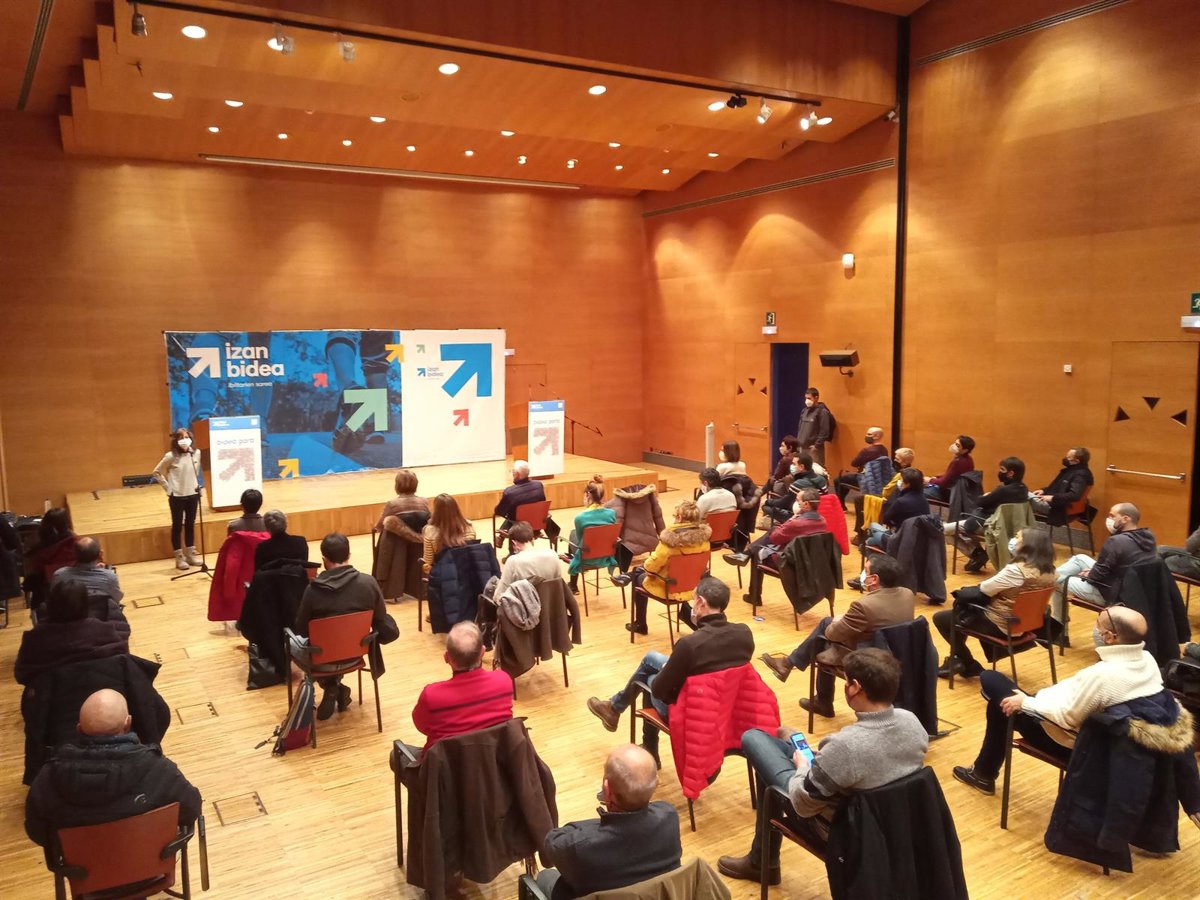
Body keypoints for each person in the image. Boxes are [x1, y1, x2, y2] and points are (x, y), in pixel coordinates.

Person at [717, 648, 928, 884]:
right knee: (784, 747)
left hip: (842, 830)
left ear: (855, 688)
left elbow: (802, 804)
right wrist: (824, 760)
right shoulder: (912, 723)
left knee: (754, 739)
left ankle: (762, 861)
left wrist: (803, 766)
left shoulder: (844, 746)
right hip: (894, 826)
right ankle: (761, 860)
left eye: (846, 682)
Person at [952, 607, 1166, 795]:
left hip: (1071, 742)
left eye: (1097, 625)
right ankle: (982, 773)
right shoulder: (1148, 660)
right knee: (1005, 698)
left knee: (993, 686)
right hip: (1109, 744)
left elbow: (1067, 718)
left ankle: (983, 773)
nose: (1095, 629)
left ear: (1110, 637)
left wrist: (1026, 703)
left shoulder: (1103, 676)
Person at [586, 577, 754, 765]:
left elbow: (659, 691)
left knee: (648, 678)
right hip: (725, 708)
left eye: (693, 600)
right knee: (651, 658)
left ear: (700, 602)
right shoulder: (744, 633)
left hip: (691, 713)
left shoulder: (690, 645)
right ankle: (615, 709)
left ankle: (637, 733)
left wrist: (667, 671)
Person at [25, 689, 201, 848]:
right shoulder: (160, 769)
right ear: (128, 723)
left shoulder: (48, 776)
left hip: (81, 870)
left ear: (79, 729)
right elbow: (191, 808)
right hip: (147, 862)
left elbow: (37, 832)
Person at [760, 554, 915, 719]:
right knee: (826, 630)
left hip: (868, 659)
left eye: (866, 570)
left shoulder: (864, 606)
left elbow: (832, 634)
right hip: (900, 652)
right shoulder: (908, 594)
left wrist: (838, 621)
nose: (863, 574)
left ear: (874, 579)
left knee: (824, 638)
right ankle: (791, 667)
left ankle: (814, 691)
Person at [535, 744, 682, 899]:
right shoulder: (669, 817)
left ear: (607, 789)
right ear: (655, 784)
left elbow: (552, 841)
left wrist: (606, 821)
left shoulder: (578, 845)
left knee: (545, 876)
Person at [290, 532, 391, 720]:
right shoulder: (368, 583)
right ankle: (335, 686)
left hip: (322, 659)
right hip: (356, 654)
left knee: (290, 641)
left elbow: (301, 629)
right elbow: (380, 618)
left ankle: (330, 685)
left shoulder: (312, 590)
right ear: (349, 555)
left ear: (324, 560)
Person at [933, 527, 1056, 679]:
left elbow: (985, 589)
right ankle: (958, 660)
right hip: (1026, 624)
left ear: (1028, 545)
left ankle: (967, 662)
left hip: (1002, 624)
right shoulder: (1051, 572)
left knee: (943, 618)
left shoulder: (1016, 571)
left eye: (1018, 537)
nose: (1014, 540)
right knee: (960, 613)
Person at [406, 622, 513, 755]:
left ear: (446, 657)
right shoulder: (503, 681)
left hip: (447, 765)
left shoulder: (431, 695)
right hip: (493, 761)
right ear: (483, 652)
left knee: (396, 755)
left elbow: (422, 727)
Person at [1050, 502, 1157, 625]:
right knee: (1079, 558)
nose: (1108, 519)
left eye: (1112, 516)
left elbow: (1098, 575)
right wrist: (1093, 572)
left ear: (1125, 519)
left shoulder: (1116, 541)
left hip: (1112, 594)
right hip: (1132, 590)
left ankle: (1059, 625)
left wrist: (1089, 575)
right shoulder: (1148, 538)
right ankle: (1048, 578)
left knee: (1058, 582)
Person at [15, 580, 129, 685]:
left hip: (53, 696)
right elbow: (123, 659)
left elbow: (21, 675)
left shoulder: (35, 638)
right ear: (86, 605)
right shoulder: (104, 629)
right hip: (101, 689)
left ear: (50, 605)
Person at [624, 500, 711, 636]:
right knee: (645, 571)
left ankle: (640, 624)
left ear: (679, 518)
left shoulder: (670, 541)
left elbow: (651, 568)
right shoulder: (705, 540)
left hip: (668, 588)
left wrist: (645, 567)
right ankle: (685, 613)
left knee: (638, 576)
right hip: (692, 587)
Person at [942, 456, 1029, 573]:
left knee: (943, 530)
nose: (999, 472)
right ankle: (977, 553)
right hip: (1008, 529)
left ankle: (975, 553)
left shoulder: (1003, 490)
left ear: (1010, 473)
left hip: (988, 525)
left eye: (1002, 469)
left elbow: (979, 502)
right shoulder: (1024, 490)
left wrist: (986, 495)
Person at [743, 490, 828, 607]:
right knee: (768, 538)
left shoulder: (796, 523)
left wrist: (791, 520)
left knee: (757, 552)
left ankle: (754, 596)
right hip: (811, 563)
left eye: (798, 501)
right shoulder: (822, 521)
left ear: (806, 504)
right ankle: (747, 552)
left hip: (791, 564)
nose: (796, 503)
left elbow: (775, 538)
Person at [153, 427, 204, 570]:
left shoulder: (196, 453)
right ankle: (179, 557)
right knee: (177, 526)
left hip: (192, 494)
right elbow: (156, 472)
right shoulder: (170, 456)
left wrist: (196, 485)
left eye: (187, 437)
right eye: (181, 438)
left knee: (190, 524)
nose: (184, 440)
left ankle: (191, 554)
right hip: (177, 496)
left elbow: (195, 472)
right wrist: (168, 488)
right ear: (176, 441)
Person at [564, 476, 619, 594]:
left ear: (587, 495)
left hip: (586, 558)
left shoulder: (580, 518)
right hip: (606, 556)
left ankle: (573, 585)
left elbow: (581, 541)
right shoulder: (611, 514)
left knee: (573, 534)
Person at [851, 447, 915, 538]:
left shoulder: (901, 475)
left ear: (904, 462)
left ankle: (861, 535)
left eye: (897, 459)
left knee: (859, 500)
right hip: (901, 502)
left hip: (891, 504)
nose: (894, 460)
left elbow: (886, 492)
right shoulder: (913, 472)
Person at [52, 536, 124, 605]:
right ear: (100, 554)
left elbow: (54, 599)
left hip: (70, 613)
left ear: (74, 554)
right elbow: (117, 598)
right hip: (99, 613)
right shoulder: (110, 577)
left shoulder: (59, 575)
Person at [498, 522, 564, 596]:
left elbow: (500, 595)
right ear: (533, 539)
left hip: (525, 602)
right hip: (550, 601)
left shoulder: (513, 561)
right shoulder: (553, 554)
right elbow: (559, 586)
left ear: (513, 543)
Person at [762, 451, 827, 523]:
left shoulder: (799, 484)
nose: (792, 466)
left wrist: (767, 501)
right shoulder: (822, 479)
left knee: (765, 507)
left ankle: (788, 524)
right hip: (820, 514)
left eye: (794, 464)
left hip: (801, 516)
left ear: (802, 467)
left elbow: (783, 504)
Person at [1029, 447, 1093, 518]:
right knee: (1025, 495)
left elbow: (1074, 495)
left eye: (1068, 457)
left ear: (1077, 461)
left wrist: (1052, 498)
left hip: (1057, 508)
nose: (1065, 459)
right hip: (1053, 502)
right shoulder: (1070, 471)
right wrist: (1044, 491)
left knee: (1022, 497)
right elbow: (1058, 487)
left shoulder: (1081, 475)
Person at [493, 460, 546, 544]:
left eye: (513, 471)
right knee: (518, 512)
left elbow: (499, 511)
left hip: (518, 529)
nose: (512, 473)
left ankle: (501, 537)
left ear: (517, 474)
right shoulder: (539, 485)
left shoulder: (510, 492)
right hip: (537, 525)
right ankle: (501, 537)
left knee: (511, 515)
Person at [423, 493, 477, 574]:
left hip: (443, 575)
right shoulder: (468, 526)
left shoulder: (430, 531)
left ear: (436, 511)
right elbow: (472, 553)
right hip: (467, 573)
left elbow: (428, 561)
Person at [835, 426, 888, 503]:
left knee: (838, 480)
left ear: (877, 436)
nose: (866, 436)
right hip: (879, 480)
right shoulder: (884, 450)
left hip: (865, 479)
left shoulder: (866, 451)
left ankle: (841, 505)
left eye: (869, 434)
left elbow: (854, 463)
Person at [924, 434, 974, 501]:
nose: (954, 446)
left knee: (921, 493)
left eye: (957, 445)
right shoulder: (969, 459)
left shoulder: (958, 462)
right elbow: (951, 476)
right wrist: (937, 478)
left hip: (950, 493)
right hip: (958, 492)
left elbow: (944, 482)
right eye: (955, 443)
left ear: (965, 450)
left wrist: (930, 480)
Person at [795, 387, 834, 465]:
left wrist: (816, 445)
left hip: (813, 449)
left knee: (816, 469)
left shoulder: (822, 412)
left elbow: (824, 431)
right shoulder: (804, 411)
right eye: (806, 398)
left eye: (809, 398)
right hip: (802, 448)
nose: (807, 400)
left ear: (816, 398)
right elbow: (800, 428)